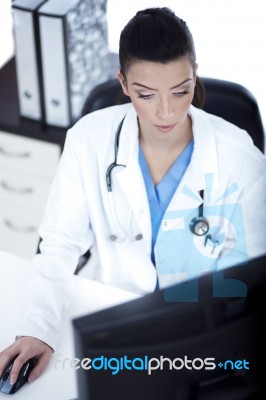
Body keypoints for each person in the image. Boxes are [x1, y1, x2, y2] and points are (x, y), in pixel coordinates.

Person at [1, 7, 266, 385]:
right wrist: (38, 327)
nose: (167, 111)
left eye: (181, 90)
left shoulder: (240, 157)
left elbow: (255, 274)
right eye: (146, 94)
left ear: (194, 75)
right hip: (113, 319)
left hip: (204, 333)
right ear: (123, 84)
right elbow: (58, 246)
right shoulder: (88, 140)